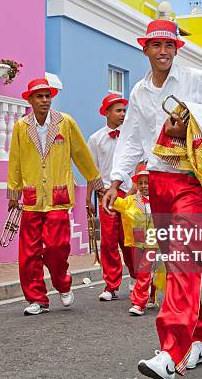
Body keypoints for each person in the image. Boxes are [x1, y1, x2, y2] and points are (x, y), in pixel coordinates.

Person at [102, 19, 202, 378]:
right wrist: (116, 181)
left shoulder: (195, 80)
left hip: (191, 184)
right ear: (145, 49)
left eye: (169, 45)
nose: (163, 51)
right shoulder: (138, 91)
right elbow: (132, 138)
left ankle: (170, 351)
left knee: (182, 260)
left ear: (176, 48)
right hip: (157, 183)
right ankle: (198, 340)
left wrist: (193, 125)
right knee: (179, 265)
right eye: (156, 45)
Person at [7, 78, 104, 316]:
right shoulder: (21, 126)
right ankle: (37, 298)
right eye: (39, 96)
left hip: (58, 198)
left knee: (57, 247)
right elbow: (15, 160)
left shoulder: (65, 123)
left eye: (47, 96)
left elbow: (81, 153)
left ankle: (62, 282)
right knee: (28, 254)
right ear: (29, 100)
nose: (44, 100)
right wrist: (13, 192)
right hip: (31, 199)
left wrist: (95, 180)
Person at [87, 94, 136, 301]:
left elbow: (140, 166)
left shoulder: (133, 138)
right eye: (118, 110)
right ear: (106, 113)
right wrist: (88, 199)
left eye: (124, 110)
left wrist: (135, 191)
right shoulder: (96, 139)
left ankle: (136, 277)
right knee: (107, 242)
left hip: (129, 195)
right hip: (105, 195)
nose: (122, 114)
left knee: (130, 241)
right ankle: (111, 285)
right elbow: (92, 171)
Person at [111, 164, 155, 316]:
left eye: (146, 182)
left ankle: (138, 303)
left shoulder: (161, 200)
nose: (143, 186)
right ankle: (150, 296)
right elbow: (117, 203)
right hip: (137, 242)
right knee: (141, 270)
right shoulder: (131, 200)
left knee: (145, 270)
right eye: (140, 183)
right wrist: (107, 193)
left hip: (154, 242)